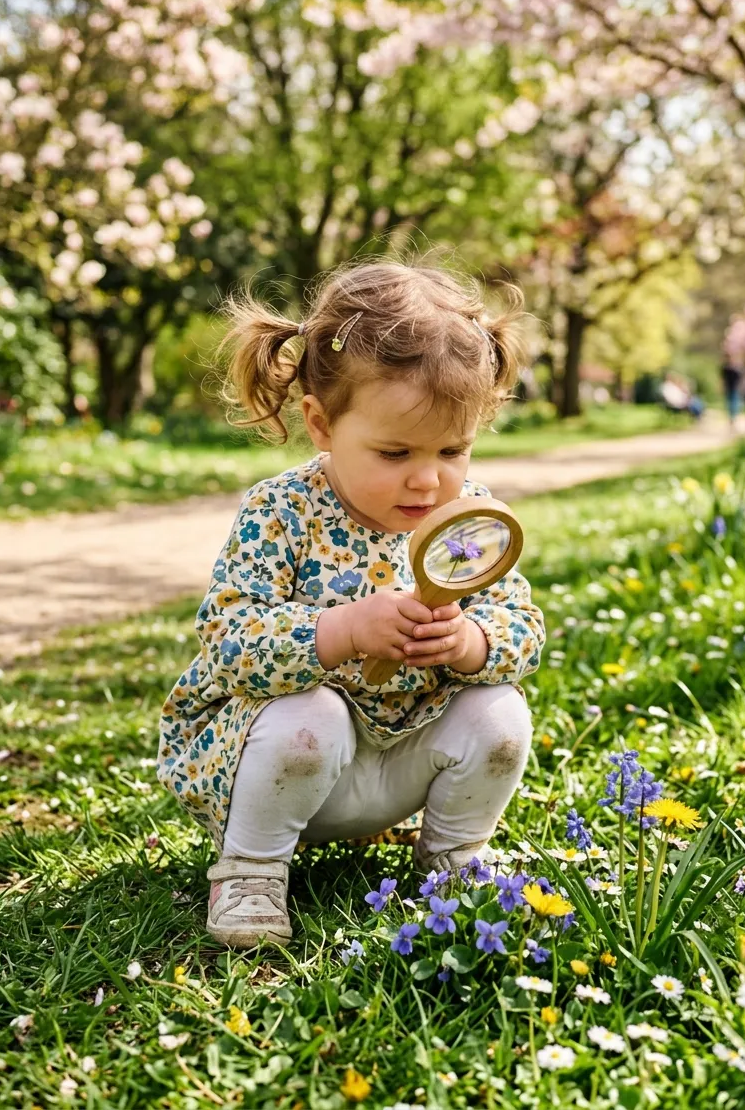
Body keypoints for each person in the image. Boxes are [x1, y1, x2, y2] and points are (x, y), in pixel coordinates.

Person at [157, 259, 545, 950]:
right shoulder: (282, 512)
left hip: (402, 762)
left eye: (452, 449)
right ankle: (250, 867)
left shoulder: (466, 525)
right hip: (285, 764)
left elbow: (523, 628)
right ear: (321, 424)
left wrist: (470, 645)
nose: (427, 479)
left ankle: (453, 861)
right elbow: (229, 638)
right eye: (394, 451)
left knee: (501, 712)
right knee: (313, 711)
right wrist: (339, 631)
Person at [720, 354, 743, 428]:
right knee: (729, 403)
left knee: (734, 403)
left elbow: (741, 379)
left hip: (736, 388)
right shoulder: (725, 368)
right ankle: (731, 418)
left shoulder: (737, 368)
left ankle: (733, 418)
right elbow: (722, 379)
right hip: (728, 388)